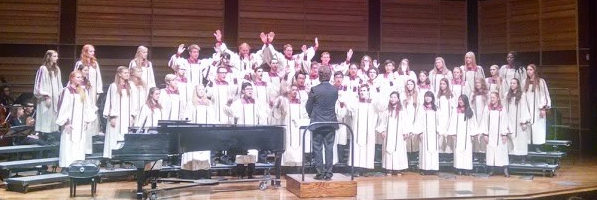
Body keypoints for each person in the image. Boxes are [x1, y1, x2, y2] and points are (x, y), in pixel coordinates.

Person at [56, 71, 97, 169]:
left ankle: (78, 166)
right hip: (70, 123)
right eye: (78, 77)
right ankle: (66, 166)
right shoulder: (66, 91)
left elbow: (87, 106)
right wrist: (66, 122)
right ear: (72, 78)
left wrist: (87, 120)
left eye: (81, 77)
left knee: (79, 144)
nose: (80, 79)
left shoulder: (83, 91)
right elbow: (62, 107)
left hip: (80, 123)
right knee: (68, 144)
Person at [306, 66, 339, 181]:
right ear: (330, 76)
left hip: (318, 122)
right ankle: (329, 173)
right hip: (330, 122)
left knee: (317, 148)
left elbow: (308, 106)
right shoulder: (335, 90)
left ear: (320, 76)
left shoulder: (315, 89)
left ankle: (320, 173)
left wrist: (312, 115)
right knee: (329, 148)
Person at [103, 66, 138, 159]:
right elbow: (111, 102)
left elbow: (134, 101)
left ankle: (122, 159)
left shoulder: (130, 86)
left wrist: (132, 115)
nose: (127, 75)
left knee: (124, 137)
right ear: (119, 74)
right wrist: (112, 116)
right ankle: (109, 159)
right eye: (125, 73)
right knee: (113, 137)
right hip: (117, 117)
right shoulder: (113, 86)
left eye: (128, 73)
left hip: (126, 117)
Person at [34, 50, 63, 144]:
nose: (57, 58)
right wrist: (46, 96)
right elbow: (38, 85)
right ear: (49, 57)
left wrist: (61, 96)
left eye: (57, 56)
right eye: (54, 56)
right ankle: (44, 136)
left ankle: (52, 136)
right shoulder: (43, 69)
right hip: (45, 99)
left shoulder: (57, 69)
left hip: (55, 99)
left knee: (53, 117)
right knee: (45, 117)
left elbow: (59, 84)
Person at [377, 91, 409, 175]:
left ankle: (398, 168)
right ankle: (389, 168)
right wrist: (382, 131)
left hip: (399, 134)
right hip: (388, 133)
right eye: (391, 97)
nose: (393, 99)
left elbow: (405, 122)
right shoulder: (386, 110)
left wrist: (406, 132)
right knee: (388, 149)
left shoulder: (402, 110)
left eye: (395, 97)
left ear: (398, 99)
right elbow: (382, 122)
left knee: (398, 149)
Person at [523, 64, 551, 152]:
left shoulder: (540, 81)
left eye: (530, 69)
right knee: (527, 125)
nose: (528, 71)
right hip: (527, 107)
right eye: (527, 69)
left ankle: (537, 146)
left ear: (534, 71)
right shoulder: (524, 81)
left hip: (537, 108)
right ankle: (528, 145)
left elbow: (544, 94)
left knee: (538, 127)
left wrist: (543, 108)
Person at [482, 92, 510, 177]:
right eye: (491, 98)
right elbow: (484, 121)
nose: (492, 99)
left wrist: (504, 134)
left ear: (498, 98)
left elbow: (505, 121)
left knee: (502, 152)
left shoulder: (502, 108)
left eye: (493, 97)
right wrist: (485, 134)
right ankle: (492, 170)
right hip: (491, 134)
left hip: (500, 134)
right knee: (491, 152)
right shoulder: (487, 108)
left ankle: (505, 170)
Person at [449, 94, 478, 175]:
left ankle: (466, 169)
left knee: (467, 151)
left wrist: (472, 134)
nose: (460, 101)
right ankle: (459, 169)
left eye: (461, 100)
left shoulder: (470, 110)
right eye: (459, 100)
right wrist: (453, 133)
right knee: (458, 151)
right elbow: (453, 122)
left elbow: (473, 123)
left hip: (467, 135)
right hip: (458, 134)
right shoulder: (456, 110)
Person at [505, 78, 531, 160]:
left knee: (521, 138)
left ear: (517, 85)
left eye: (514, 83)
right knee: (510, 137)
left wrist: (524, 121)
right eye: (511, 83)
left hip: (518, 120)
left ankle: (522, 156)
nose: (512, 84)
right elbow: (504, 108)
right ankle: (511, 155)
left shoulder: (522, 95)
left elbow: (524, 107)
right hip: (510, 119)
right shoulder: (507, 95)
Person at [414, 91, 439, 175]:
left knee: (434, 150)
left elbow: (439, 121)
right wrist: (419, 132)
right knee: (424, 150)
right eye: (426, 96)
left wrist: (438, 131)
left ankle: (434, 168)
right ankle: (424, 168)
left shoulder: (436, 108)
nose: (427, 98)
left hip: (433, 132)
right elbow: (418, 120)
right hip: (424, 132)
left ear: (432, 98)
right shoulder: (421, 108)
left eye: (429, 96)